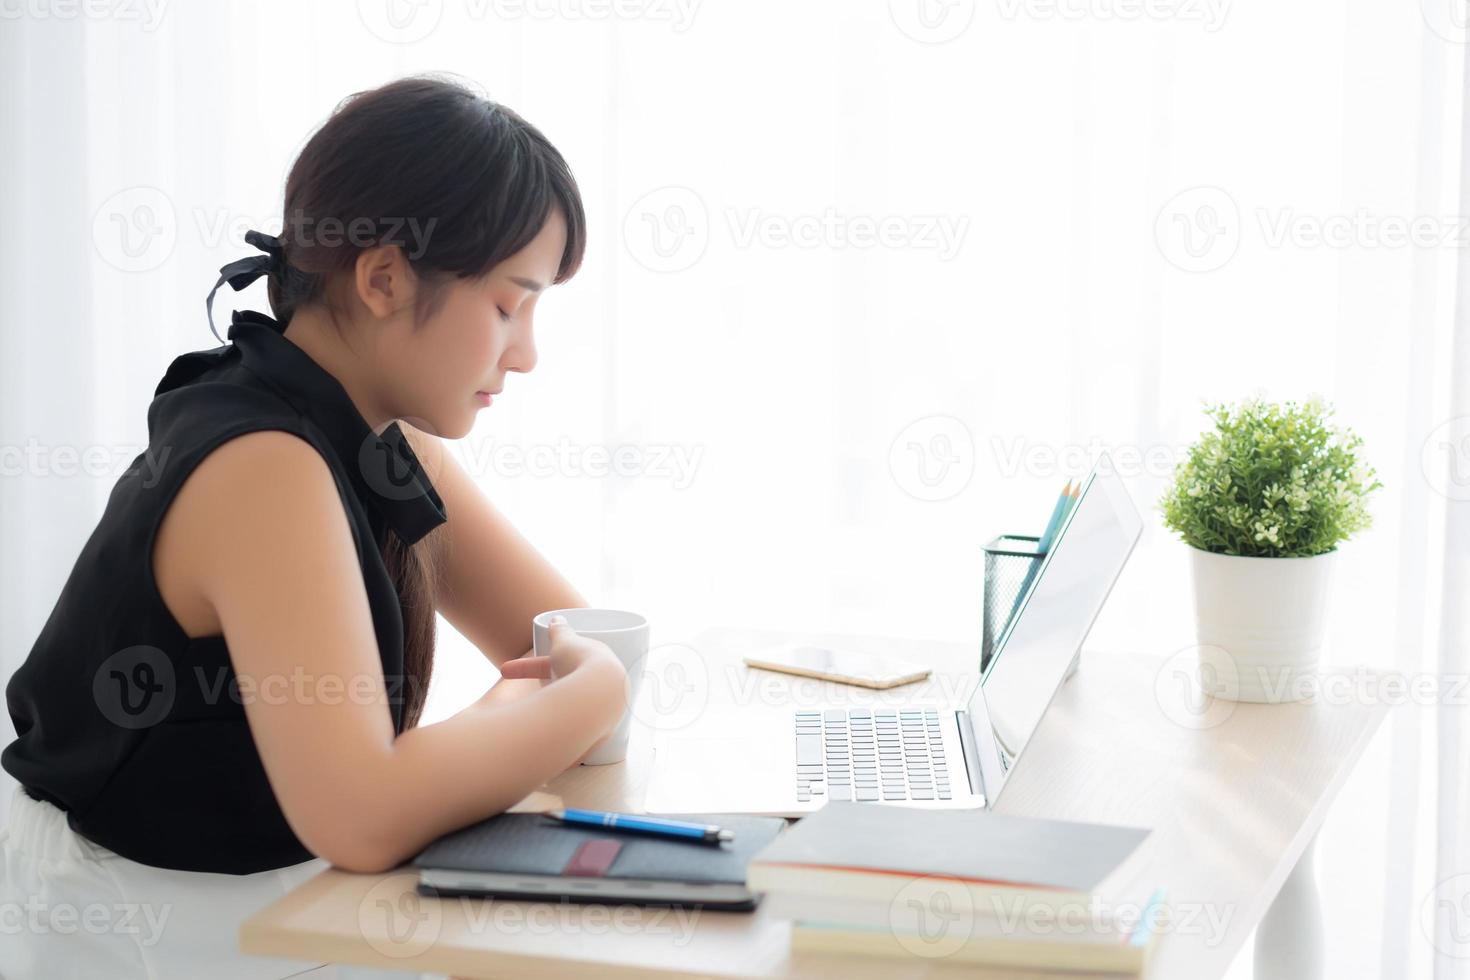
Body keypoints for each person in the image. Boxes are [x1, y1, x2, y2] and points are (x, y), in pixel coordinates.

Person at [0, 73, 628, 979]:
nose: (526, 354)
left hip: (268, 896)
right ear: (382, 277)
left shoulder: (377, 430)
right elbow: (364, 816)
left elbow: (574, 638)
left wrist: (576, 688)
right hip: (138, 919)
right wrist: (574, 696)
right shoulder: (263, 465)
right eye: (507, 304)